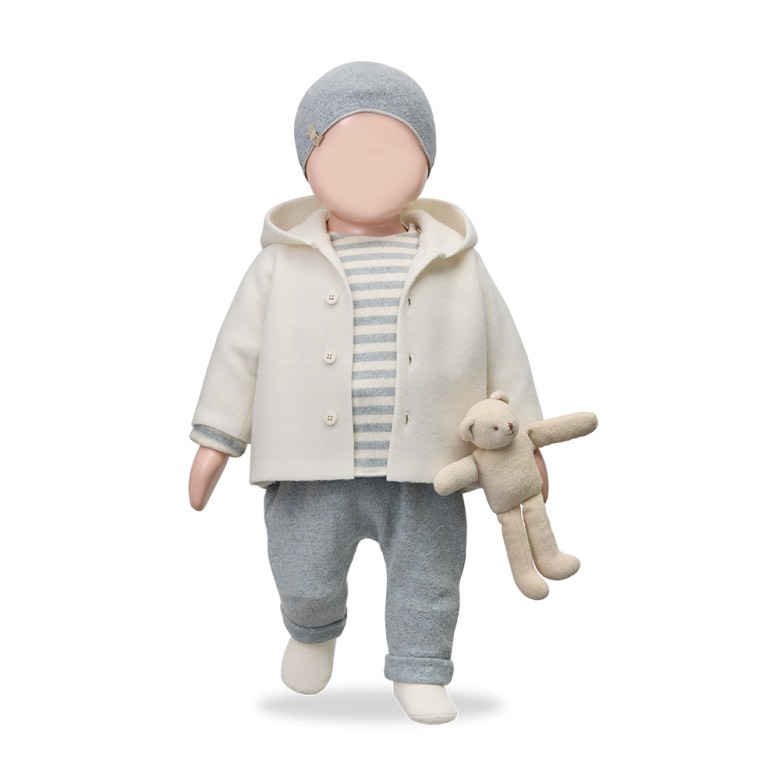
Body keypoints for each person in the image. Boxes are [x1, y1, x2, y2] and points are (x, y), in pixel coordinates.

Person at [188, 62, 547, 725]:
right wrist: (217, 439)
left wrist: (525, 442)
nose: (368, 167)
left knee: (430, 577)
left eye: (392, 149)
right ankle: (310, 629)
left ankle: (420, 665)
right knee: (303, 568)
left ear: (427, 162)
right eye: (344, 150)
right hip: (307, 466)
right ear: (307, 162)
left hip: (431, 466)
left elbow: (505, 349)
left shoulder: (457, 261)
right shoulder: (279, 263)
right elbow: (238, 353)